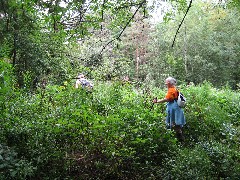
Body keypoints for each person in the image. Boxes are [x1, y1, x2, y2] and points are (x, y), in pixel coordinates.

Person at [153, 77, 186, 142]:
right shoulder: (174, 89)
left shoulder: (171, 90)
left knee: (174, 124)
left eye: (166, 83)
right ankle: (179, 140)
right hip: (176, 108)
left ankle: (177, 141)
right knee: (176, 125)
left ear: (169, 83)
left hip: (174, 109)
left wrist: (157, 101)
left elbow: (167, 99)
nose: (166, 84)